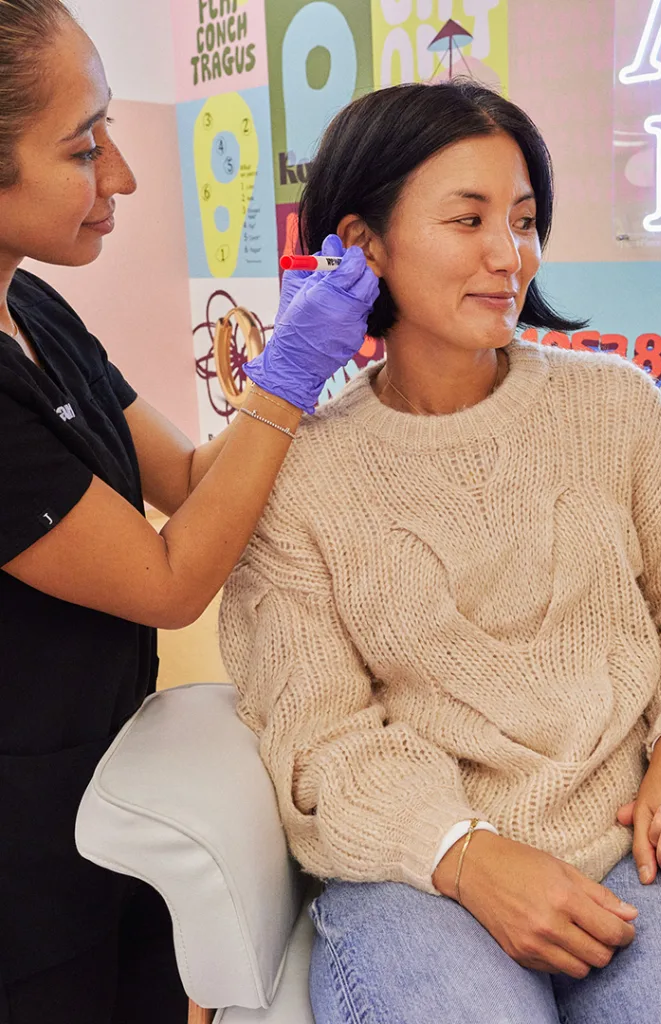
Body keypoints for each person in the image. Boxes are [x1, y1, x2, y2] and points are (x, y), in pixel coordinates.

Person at [219, 79, 661, 1024]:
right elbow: (319, 740)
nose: (510, 254)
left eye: (525, 220)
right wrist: (464, 851)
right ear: (362, 246)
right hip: (420, 875)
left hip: (633, 841)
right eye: (469, 219)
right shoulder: (299, 473)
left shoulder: (612, 404)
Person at [0, 2, 377, 1021]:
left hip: (120, 779)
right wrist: (286, 382)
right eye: (85, 147)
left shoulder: (31, 305)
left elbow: (191, 474)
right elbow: (169, 580)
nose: (120, 174)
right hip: (25, 852)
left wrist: (328, 393)